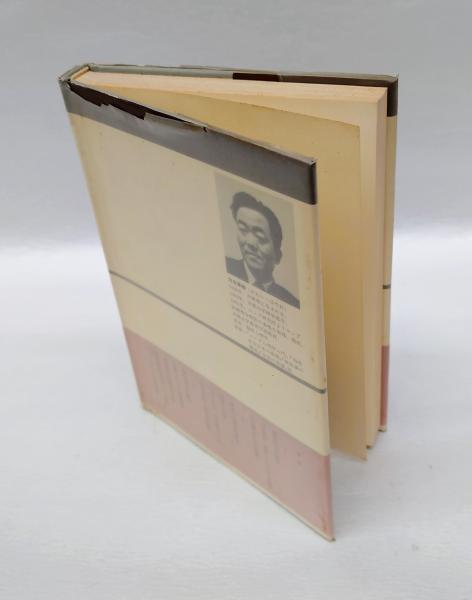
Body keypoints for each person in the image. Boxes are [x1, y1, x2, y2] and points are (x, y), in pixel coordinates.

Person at [225, 191, 300, 309]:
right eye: (243, 229)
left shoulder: (292, 303)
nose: (250, 242)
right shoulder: (224, 266)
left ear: (278, 256)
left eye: (260, 237)